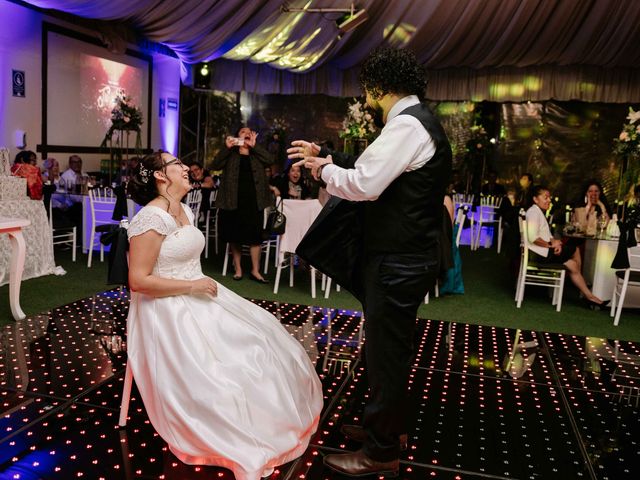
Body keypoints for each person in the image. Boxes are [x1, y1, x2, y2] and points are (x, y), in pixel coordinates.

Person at [289, 47, 451, 477]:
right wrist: (327, 155)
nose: (366, 98)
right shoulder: (416, 122)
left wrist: (323, 172)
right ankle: (385, 429)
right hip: (407, 258)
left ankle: (380, 453)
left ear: (380, 87)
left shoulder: (406, 126)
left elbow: (365, 183)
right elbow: (378, 167)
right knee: (389, 352)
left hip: (399, 261)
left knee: (386, 355)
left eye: (367, 90)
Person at [125, 151, 323, 480]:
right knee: (224, 370)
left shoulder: (184, 209)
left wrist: (197, 286)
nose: (185, 168)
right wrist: (190, 287)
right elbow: (138, 281)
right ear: (161, 176)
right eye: (176, 164)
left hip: (198, 291)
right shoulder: (150, 218)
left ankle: (272, 417)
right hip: (165, 308)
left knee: (262, 337)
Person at [526, 185, 606, 309]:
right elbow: (533, 237)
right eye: (545, 198)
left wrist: (554, 241)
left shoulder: (538, 212)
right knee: (575, 250)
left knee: (573, 264)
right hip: (539, 254)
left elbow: (545, 235)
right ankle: (585, 292)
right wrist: (551, 245)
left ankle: (589, 296)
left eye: (549, 198)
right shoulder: (533, 212)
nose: (549, 200)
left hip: (543, 251)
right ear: (535, 199)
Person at [212, 127, 275, 282]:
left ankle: (255, 271)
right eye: (242, 132)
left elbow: (270, 160)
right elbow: (216, 165)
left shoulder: (257, 153)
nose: (246, 133)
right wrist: (226, 148)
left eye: (249, 132)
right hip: (232, 200)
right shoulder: (231, 153)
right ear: (237, 137)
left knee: (255, 237)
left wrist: (255, 146)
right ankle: (238, 269)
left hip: (254, 201)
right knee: (235, 236)